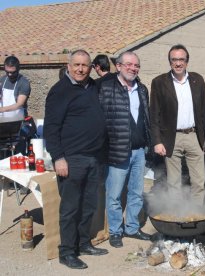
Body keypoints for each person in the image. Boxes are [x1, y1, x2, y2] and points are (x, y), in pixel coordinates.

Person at [44, 49, 108, 269]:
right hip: (72, 159)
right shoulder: (59, 91)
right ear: (69, 66)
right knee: (70, 208)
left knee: (89, 205)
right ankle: (67, 252)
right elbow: (51, 129)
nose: (81, 69)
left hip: (94, 158)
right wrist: (58, 157)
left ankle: (83, 242)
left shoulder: (92, 87)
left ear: (91, 67)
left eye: (85, 65)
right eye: (77, 65)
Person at [99, 51, 152, 248]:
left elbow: (146, 119)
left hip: (139, 151)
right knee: (114, 194)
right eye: (128, 64)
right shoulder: (106, 88)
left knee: (136, 192)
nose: (133, 68)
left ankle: (132, 227)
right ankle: (115, 231)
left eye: (136, 65)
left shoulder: (142, 89)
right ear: (118, 66)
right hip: (117, 150)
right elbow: (100, 121)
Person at [150, 44, 205, 203]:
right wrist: (157, 141)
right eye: (174, 60)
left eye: (181, 59)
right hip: (171, 138)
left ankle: (196, 216)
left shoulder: (198, 80)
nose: (178, 63)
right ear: (169, 62)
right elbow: (154, 114)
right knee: (173, 183)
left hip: (195, 137)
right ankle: (176, 217)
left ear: (187, 62)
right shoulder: (159, 82)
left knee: (198, 182)